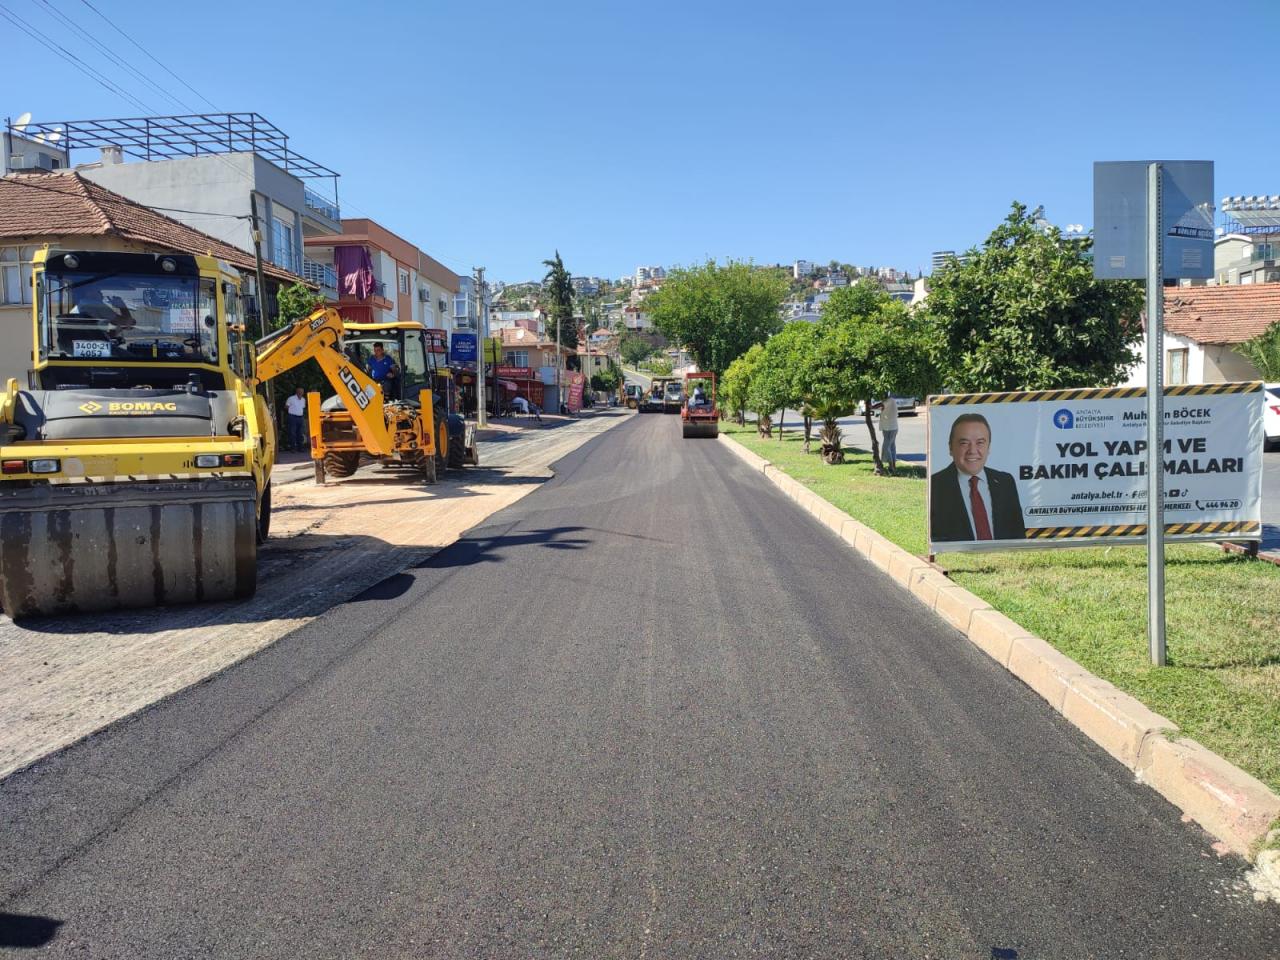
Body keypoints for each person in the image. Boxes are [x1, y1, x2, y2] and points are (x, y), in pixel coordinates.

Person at [929, 412, 1026, 543]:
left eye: (980, 443)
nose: (972, 450)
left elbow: (1018, 536)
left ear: (989, 447)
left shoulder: (1005, 482)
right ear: (951, 448)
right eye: (964, 443)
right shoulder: (934, 486)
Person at [874, 398, 899, 471]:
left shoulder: (889, 400)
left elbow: (880, 405)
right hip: (889, 427)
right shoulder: (889, 401)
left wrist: (870, 406)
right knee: (892, 447)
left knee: (886, 447)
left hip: (890, 428)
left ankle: (891, 466)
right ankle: (893, 466)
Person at [284, 387, 307, 452]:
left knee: (300, 433)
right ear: (297, 392)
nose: (301, 393)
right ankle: (293, 448)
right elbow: (286, 407)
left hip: (300, 417)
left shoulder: (303, 399)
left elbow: (303, 408)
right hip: (292, 417)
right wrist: (292, 410)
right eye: (300, 392)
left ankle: (300, 448)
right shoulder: (291, 398)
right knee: (292, 433)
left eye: (302, 392)